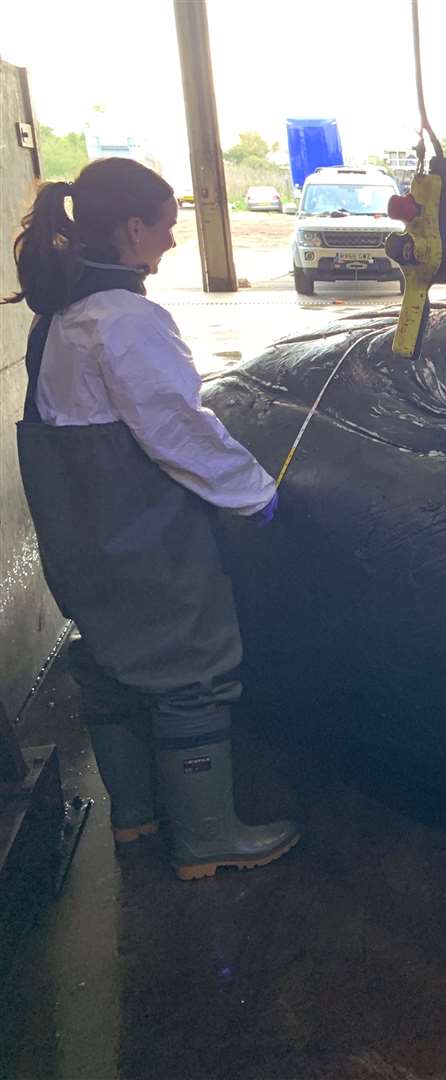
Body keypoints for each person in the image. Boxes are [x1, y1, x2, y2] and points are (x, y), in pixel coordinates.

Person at [5, 157, 298, 880]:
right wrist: (256, 494)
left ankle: (135, 819)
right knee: (190, 669)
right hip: (139, 536)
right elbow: (178, 430)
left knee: (108, 663)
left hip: (80, 539)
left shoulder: (59, 317)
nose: (172, 239)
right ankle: (207, 839)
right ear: (133, 227)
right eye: (167, 224)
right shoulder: (125, 320)